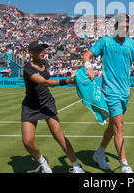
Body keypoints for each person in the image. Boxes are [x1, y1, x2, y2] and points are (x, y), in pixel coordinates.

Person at [82, 14, 134, 173]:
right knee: (119, 126)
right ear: (115, 26)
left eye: (128, 27)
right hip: (110, 92)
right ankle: (124, 164)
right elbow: (87, 54)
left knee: (113, 126)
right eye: (123, 26)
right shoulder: (105, 41)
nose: (125, 29)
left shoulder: (131, 43)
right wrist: (89, 66)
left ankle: (99, 153)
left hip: (124, 93)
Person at [21, 40, 84, 173]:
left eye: (43, 49)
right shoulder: (27, 68)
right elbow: (44, 82)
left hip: (46, 103)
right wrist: (66, 81)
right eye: (39, 50)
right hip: (31, 106)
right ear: (31, 53)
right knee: (27, 142)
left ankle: (76, 166)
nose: (43, 52)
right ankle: (42, 161)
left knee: (58, 136)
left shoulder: (45, 62)